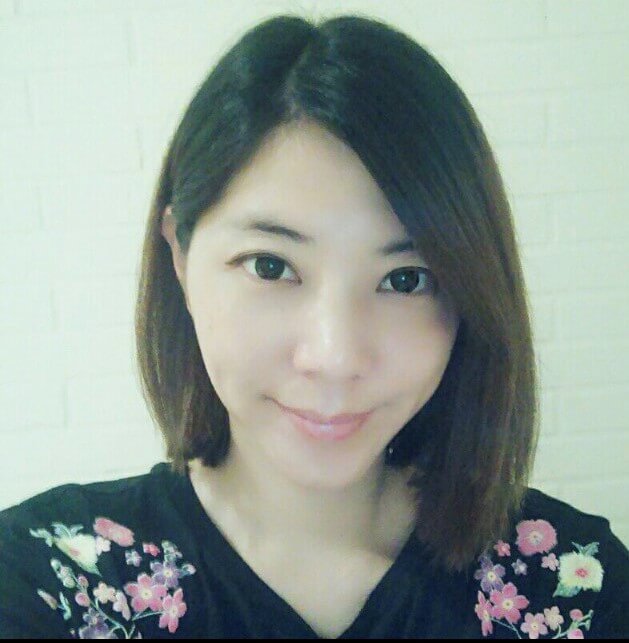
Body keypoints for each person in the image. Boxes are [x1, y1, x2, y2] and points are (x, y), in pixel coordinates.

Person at [0, 13, 627, 640]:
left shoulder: (574, 592)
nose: (334, 356)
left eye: (406, 279)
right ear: (181, 260)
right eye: (271, 267)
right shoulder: (52, 583)